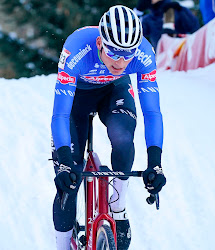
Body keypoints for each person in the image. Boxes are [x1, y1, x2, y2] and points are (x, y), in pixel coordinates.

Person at [50, 5, 166, 250]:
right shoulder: (77, 48)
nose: (121, 61)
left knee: (123, 138)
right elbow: (60, 113)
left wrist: (155, 162)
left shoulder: (143, 54)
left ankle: (118, 206)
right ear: (101, 43)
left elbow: (152, 113)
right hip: (77, 99)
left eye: (128, 54)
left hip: (113, 92)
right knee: (69, 181)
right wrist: (63, 161)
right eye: (114, 52)